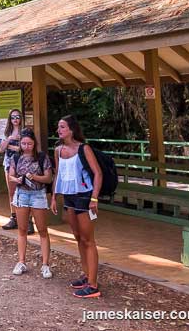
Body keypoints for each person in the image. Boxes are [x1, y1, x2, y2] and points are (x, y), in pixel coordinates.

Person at [50, 115, 103, 298]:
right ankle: (87, 275)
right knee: (78, 237)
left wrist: (94, 199)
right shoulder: (58, 150)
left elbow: (97, 174)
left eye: (62, 127)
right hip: (68, 196)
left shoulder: (84, 149)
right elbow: (58, 174)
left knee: (89, 240)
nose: (59, 130)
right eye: (58, 127)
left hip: (84, 196)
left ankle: (93, 285)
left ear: (72, 129)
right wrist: (53, 196)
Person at [9, 128, 53, 278]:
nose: (26, 146)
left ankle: (45, 264)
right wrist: (18, 179)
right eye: (24, 143)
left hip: (38, 194)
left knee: (42, 229)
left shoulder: (42, 157)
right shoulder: (15, 157)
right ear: (20, 143)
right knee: (22, 229)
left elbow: (48, 178)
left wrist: (34, 177)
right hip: (21, 193)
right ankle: (21, 261)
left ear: (34, 143)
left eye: (29, 143)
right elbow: (11, 176)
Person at [0, 109, 34, 234]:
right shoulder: (6, 132)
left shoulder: (25, 132)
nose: (15, 119)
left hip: (22, 164)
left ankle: (29, 220)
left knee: (25, 190)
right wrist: (9, 140)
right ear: (10, 119)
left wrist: (10, 145)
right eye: (13, 117)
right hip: (9, 163)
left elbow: (23, 148)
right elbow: (0, 149)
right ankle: (13, 218)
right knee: (12, 192)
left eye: (18, 117)